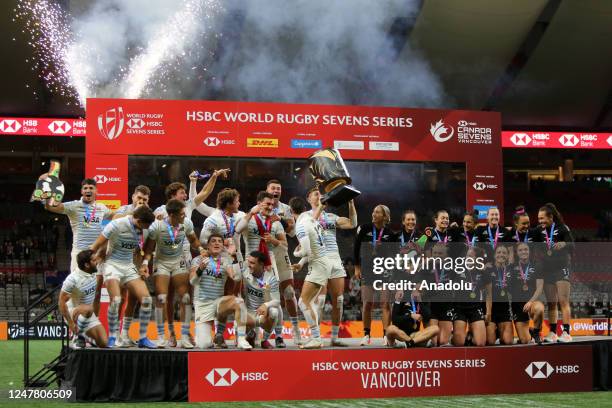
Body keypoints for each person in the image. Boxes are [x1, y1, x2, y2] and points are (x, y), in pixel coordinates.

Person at [89, 205, 157, 349]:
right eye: (146, 225)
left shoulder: (147, 227)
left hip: (129, 266)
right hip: (112, 265)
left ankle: (143, 338)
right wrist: (84, 263)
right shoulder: (116, 225)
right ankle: (113, 336)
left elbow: (149, 249)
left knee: (146, 300)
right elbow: (95, 246)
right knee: (117, 300)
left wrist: (144, 264)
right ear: (138, 221)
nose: (148, 228)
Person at [236, 191, 296, 347]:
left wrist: (274, 240)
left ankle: (278, 336)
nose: (271, 206)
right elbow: (237, 229)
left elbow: (285, 245)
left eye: (272, 204)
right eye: (267, 204)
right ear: (258, 203)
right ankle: (249, 334)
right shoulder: (249, 219)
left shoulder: (275, 222)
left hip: (269, 265)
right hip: (250, 263)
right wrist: (250, 213)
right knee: (247, 299)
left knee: (274, 301)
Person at [144, 199, 206, 348]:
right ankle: (161, 336)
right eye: (181, 214)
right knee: (161, 298)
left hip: (179, 262)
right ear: (171, 214)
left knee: (185, 297)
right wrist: (145, 264)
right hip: (162, 263)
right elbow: (148, 250)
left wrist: (201, 249)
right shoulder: (157, 226)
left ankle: (184, 336)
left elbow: (193, 240)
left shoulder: (186, 223)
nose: (184, 216)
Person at [305, 188, 357, 346]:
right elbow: (311, 227)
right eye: (315, 194)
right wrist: (320, 207)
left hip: (334, 258)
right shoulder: (305, 216)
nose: (319, 196)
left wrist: (350, 202)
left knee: (339, 300)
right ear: (308, 199)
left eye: (321, 194)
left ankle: (334, 338)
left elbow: (352, 224)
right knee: (320, 301)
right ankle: (316, 336)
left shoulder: (331, 217)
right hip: (319, 258)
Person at [189, 234, 251, 350]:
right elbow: (193, 282)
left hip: (218, 302)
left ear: (223, 246)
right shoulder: (197, 260)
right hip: (203, 304)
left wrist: (233, 256)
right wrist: (200, 270)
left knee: (239, 301)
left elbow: (236, 277)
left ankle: (242, 339)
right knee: (203, 344)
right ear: (207, 245)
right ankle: (201, 334)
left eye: (219, 241)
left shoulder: (225, 261)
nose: (217, 243)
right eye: (213, 241)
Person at [110, 185, 151, 348]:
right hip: (120, 259)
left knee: (134, 298)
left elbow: (148, 243)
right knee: (120, 297)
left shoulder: (149, 215)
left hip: (137, 260)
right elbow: (114, 219)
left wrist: (145, 264)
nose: (141, 201)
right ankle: (116, 334)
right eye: (139, 198)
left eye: (145, 200)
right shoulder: (124, 210)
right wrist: (135, 213)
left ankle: (125, 333)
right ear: (133, 196)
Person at [353, 204, 397, 346]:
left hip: (385, 270)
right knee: (367, 303)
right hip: (367, 269)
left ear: (385, 216)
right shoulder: (364, 229)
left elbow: (395, 254)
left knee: (385, 303)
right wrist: (357, 267)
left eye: (377, 212)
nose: (373, 214)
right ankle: (366, 335)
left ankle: (385, 335)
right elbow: (356, 248)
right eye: (373, 211)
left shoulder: (390, 233)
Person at [290, 196, 330, 349]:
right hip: (320, 261)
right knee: (309, 302)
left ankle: (316, 338)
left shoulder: (300, 225)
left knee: (302, 302)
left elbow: (305, 250)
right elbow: (314, 247)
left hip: (319, 264)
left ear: (291, 211)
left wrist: (296, 254)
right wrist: (301, 264)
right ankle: (316, 337)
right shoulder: (311, 220)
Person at [265, 180, 299, 346]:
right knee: (272, 298)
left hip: (281, 252)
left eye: (278, 188)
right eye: (273, 188)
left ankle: (296, 330)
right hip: (265, 255)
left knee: (289, 292)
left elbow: (292, 232)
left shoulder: (286, 209)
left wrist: (281, 220)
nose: (276, 190)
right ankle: (277, 336)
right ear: (267, 190)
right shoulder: (259, 207)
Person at [537, 203, 574, 343]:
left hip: (562, 268)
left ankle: (566, 333)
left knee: (563, 301)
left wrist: (565, 244)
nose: (540, 221)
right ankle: (552, 332)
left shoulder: (562, 228)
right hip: (547, 270)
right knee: (551, 303)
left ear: (551, 217)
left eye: (542, 218)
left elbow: (573, 245)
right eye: (539, 219)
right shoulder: (539, 230)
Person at [58, 249, 108, 348]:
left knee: (103, 342)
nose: (97, 262)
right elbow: (61, 302)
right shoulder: (72, 279)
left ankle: (86, 336)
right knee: (89, 309)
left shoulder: (93, 271)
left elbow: (102, 254)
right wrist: (71, 323)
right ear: (87, 265)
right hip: (73, 312)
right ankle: (78, 336)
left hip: (87, 314)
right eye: (94, 261)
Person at [241, 251, 282, 349]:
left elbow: (277, 301)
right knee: (237, 311)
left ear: (261, 264)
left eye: (252, 263)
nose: (249, 265)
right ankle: (251, 335)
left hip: (263, 314)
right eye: (248, 262)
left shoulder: (271, 279)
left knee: (275, 311)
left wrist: (266, 305)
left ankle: (264, 340)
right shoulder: (245, 271)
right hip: (249, 313)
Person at [452, 246, 490, 347]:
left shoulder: (483, 272)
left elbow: (489, 294)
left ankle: (470, 335)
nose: (467, 258)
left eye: (471, 256)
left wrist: (488, 312)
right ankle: (454, 336)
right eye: (467, 256)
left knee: (481, 343)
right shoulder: (457, 270)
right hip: (460, 308)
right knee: (459, 343)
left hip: (475, 307)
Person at [508, 242, 545, 344]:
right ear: (517, 252)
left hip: (532, 301)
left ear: (529, 251)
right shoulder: (511, 267)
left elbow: (539, 288)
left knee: (539, 309)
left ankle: (536, 332)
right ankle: (530, 331)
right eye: (520, 250)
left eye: (525, 249)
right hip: (517, 304)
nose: (523, 252)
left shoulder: (537, 266)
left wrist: (530, 302)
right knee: (525, 340)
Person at [486, 244, 513, 345]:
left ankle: (499, 332)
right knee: (490, 341)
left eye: (504, 253)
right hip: (491, 309)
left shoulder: (510, 270)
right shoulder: (487, 269)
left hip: (504, 308)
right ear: (494, 255)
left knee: (508, 341)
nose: (501, 255)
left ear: (507, 256)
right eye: (498, 252)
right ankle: (494, 331)